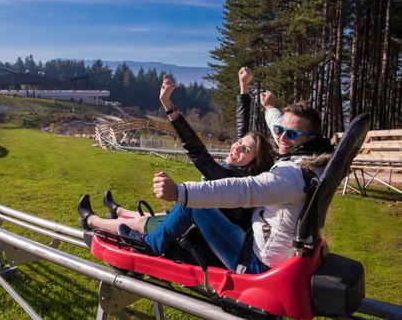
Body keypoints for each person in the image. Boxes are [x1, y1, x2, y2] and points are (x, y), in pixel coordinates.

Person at [78, 68, 275, 265]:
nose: (237, 146)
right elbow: (243, 129)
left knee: (139, 223)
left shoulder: (233, 181)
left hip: (198, 236)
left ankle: (91, 220)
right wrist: (244, 87)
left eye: (245, 150)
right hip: (196, 227)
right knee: (145, 220)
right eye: (239, 141)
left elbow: (198, 153)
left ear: (253, 164)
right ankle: (118, 211)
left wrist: (169, 107)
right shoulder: (244, 178)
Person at [145, 100, 333, 273]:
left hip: (255, 262)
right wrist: (268, 107)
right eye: (278, 130)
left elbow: (244, 190)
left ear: (310, 139)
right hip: (265, 247)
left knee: (193, 205)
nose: (282, 138)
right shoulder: (312, 161)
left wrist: (179, 192)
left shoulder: (290, 175)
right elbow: (280, 123)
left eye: (291, 134)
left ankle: (147, 247)